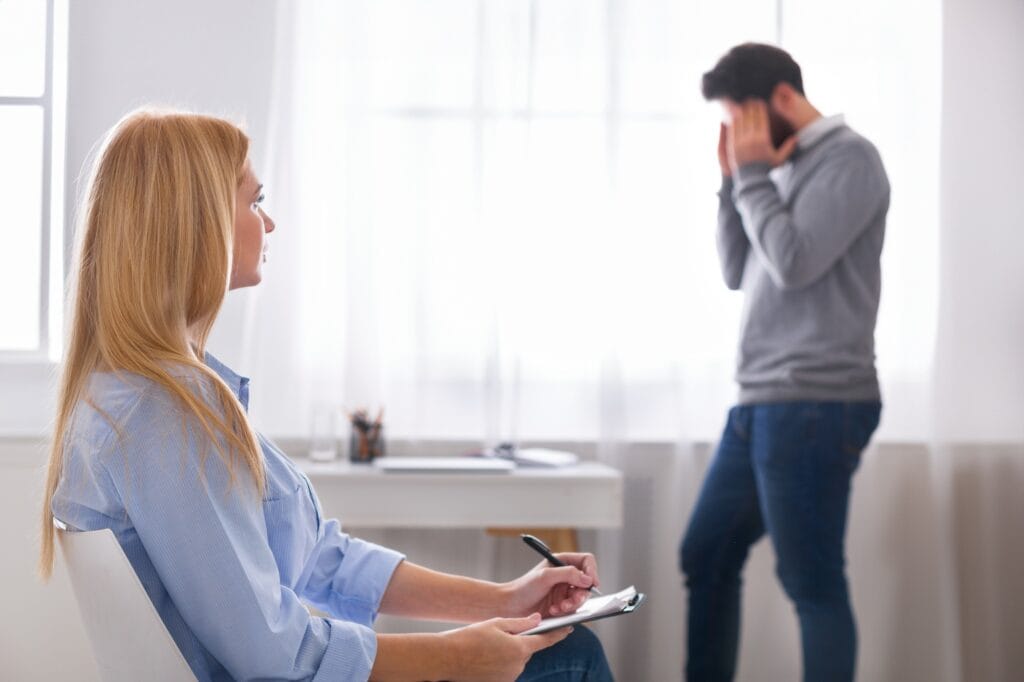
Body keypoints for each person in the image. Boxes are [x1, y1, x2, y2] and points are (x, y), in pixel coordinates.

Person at [39, 109, 614, 682]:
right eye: (254, 201)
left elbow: (318, 559)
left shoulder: (128, 396)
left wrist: (505, 600)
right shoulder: (167, 417)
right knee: (574, 656)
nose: (269, 223)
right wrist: (458, 655)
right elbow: (278, 658)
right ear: (196, 224)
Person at [679, 44, 889, 682]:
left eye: (741, 119)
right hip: (762, 400)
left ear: (783, 100)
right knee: (706, 554)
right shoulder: (776, 167)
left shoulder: (850, 159)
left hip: (817, 402)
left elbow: (795, 262)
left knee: (810, 579)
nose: (736, 136)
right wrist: (730, 185)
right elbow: (740, 271)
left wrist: (750, 179)